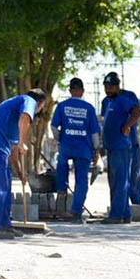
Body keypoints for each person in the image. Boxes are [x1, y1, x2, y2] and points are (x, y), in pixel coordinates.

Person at [0, 89, 48, 240]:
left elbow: (14, 152)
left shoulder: (11, 109)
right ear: (40, 103)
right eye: (41, 107)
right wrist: (22, 143)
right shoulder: (29, 101)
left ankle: (4, 225)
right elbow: (25, 118)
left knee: (5, 185)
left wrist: (21, 173)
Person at [50, 78, 100, 222]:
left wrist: (60, 138)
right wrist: (96, 149)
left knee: (61, 171)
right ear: (82, 91)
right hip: (83, 149)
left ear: (70, 91)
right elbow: (94, 133)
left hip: (66, 147)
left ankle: (61, 197)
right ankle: (76, 212)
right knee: (81, 181)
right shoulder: (89, 108)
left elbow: (53, 127)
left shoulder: (62, 106)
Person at [99, 72, 140, 223]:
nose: (108, 90)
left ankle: (116, 215)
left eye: (111, 87)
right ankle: (125, 214)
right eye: (106, 87)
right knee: (115, 181)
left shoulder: (124, 100)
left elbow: (137, 111)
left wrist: (127, 126)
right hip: (111, 146)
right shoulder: (107, 102)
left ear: (118, 86)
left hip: (122, 146)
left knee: (121, 181)